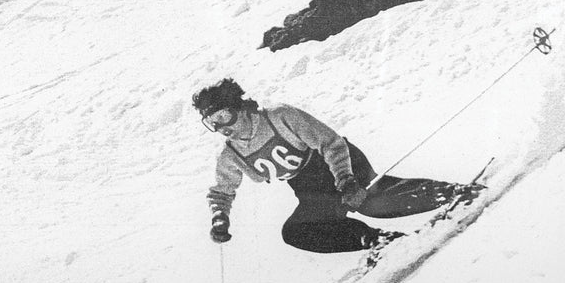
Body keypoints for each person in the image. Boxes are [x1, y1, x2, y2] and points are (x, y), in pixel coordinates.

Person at [193, 77, 482, 254]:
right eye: (212, 123)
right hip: (307, 187)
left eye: (224, 116)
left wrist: (347, 181)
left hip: (338, 163)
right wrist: (220, 217)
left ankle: (452, 193)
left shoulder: (280, 117)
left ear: (239, 107)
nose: (221, 127)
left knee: (370, 202)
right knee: (296, 232)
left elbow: (330, 143)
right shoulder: (231, 155)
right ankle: (379, 242)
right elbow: (222, 191)